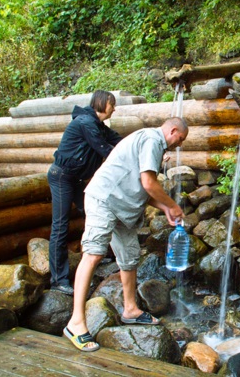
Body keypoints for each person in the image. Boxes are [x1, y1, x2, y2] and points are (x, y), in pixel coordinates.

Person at [64, 117, 188, 352]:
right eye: (179, 139)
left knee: (129, 258)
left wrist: (164, 208)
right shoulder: (152, 140)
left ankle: (130, 309)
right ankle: (75, 323)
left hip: (124, 208)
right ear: (172, 130)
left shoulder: (152, 142)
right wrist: (173, 205)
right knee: (93, 254)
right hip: (105, 199)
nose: (178, 145)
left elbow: (143, 188)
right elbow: (149, 183)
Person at [48, 90, 123, 296]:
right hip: (62, 176)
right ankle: (58, 280)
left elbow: (119, 142)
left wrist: (143, 146)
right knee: (60, 226)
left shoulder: (98, 126)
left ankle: (96, 253)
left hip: (77, 179)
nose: (114, 109)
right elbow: (105, 150)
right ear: (102, 103)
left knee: (93, 214)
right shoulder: (86, 123)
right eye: (112, 104)